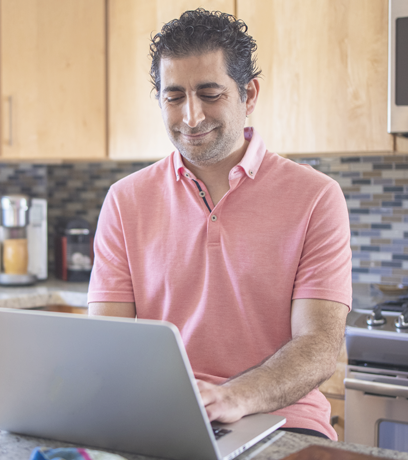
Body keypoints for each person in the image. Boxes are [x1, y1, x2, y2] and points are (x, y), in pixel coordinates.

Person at [87, 8, 351, 440]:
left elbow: (319, 348)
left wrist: (233, 397)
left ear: (249, 95)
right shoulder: (124, 200)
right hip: (164, 418)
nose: (190, 117)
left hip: (286, 420)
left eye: (210, 94)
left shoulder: (316, 197)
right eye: (174, 97)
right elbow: (106, 340)